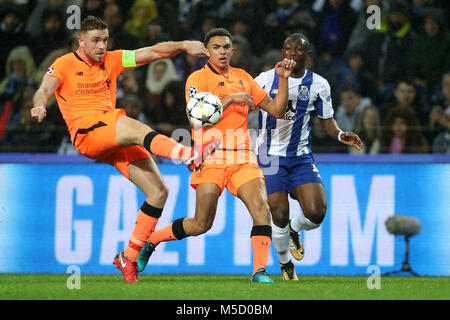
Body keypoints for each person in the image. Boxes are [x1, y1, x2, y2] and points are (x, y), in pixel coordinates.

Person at [30, 16, 220, 282]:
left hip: (112, 135)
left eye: (105, 40)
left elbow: (153, 51)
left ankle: (128, 258)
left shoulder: (113, 59)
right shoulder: (64, 64)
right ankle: (187, 154)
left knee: (158, 193)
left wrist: (184, 44)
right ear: (80, 41)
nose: (101, 46)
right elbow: (44, 89)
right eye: (95, 40)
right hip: (88, 134)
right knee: (132, 125)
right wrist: (39, 104)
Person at [137, 27, 296, 283]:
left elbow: (277, 110)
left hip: (242, 156)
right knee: (201, 223)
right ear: (207, 51)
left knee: (260, 208)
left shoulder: (244, 77)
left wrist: (284, 79)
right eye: (216, 48)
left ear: (232, 50)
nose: (221, 52)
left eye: (226, 47)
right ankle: (152, 241)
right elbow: (193, 117)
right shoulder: (197, 79)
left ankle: (259, 271)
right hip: (210, 156)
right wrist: (230, 100)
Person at [254, 33, 363, 280]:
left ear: (307, 55)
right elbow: (245, 102)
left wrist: (339, 134)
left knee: (317, 212)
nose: (292, 52)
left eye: (298, 49)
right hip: (269, 157)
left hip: (301, 156)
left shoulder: (319, 84)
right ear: (282, 53)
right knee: (279, 213)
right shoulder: (263, 79)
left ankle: (295, 229)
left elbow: (326, 121)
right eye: (288, 48)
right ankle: (285, 265)